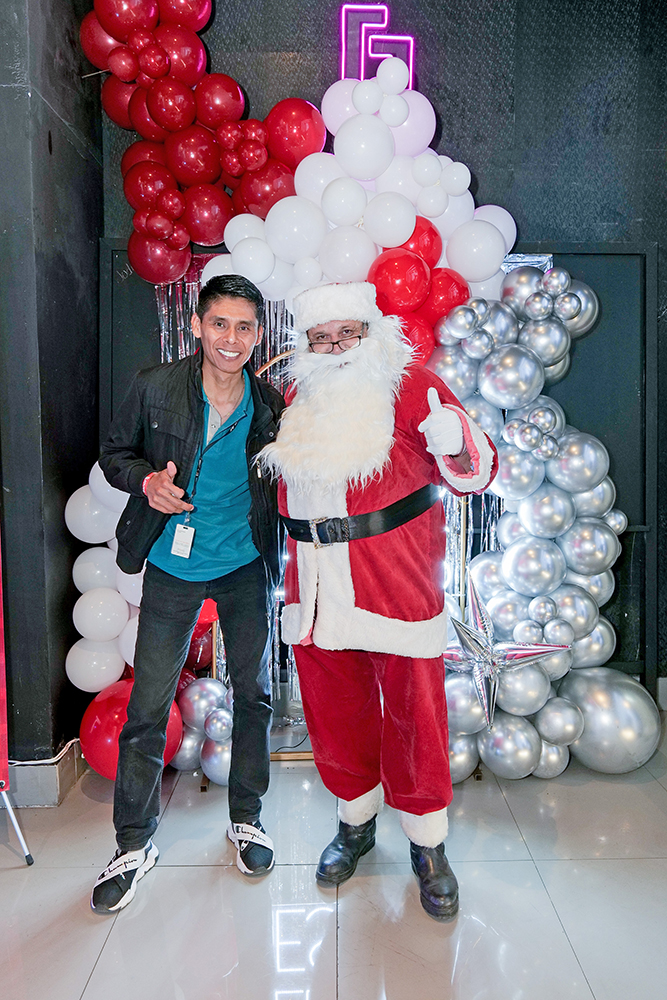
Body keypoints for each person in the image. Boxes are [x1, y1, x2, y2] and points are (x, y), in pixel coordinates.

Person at [260, 281, 497, 921]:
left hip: (395, 583)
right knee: (336, 715)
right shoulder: (294, 398)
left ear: (371, 333)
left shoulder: (414, 386)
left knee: (416, 717)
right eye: (321, 338)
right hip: (315, 590)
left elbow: (477, 473)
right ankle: (355, 823)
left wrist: (457, 440)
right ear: (306, 345)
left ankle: (428, 843)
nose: (335, 347)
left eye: (348, 333)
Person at [91, 275, 285, 914]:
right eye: (220, 323)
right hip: (173, 567)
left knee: (253, 695)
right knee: (148, 704)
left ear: (258, 335)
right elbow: (115, 454)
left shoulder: (269, 403)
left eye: (245, 326)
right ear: (198, 326)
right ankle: (132, 844)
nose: (232, 338)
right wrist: (147, 482)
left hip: (246, 564)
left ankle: (247, 819)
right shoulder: (155, 386)